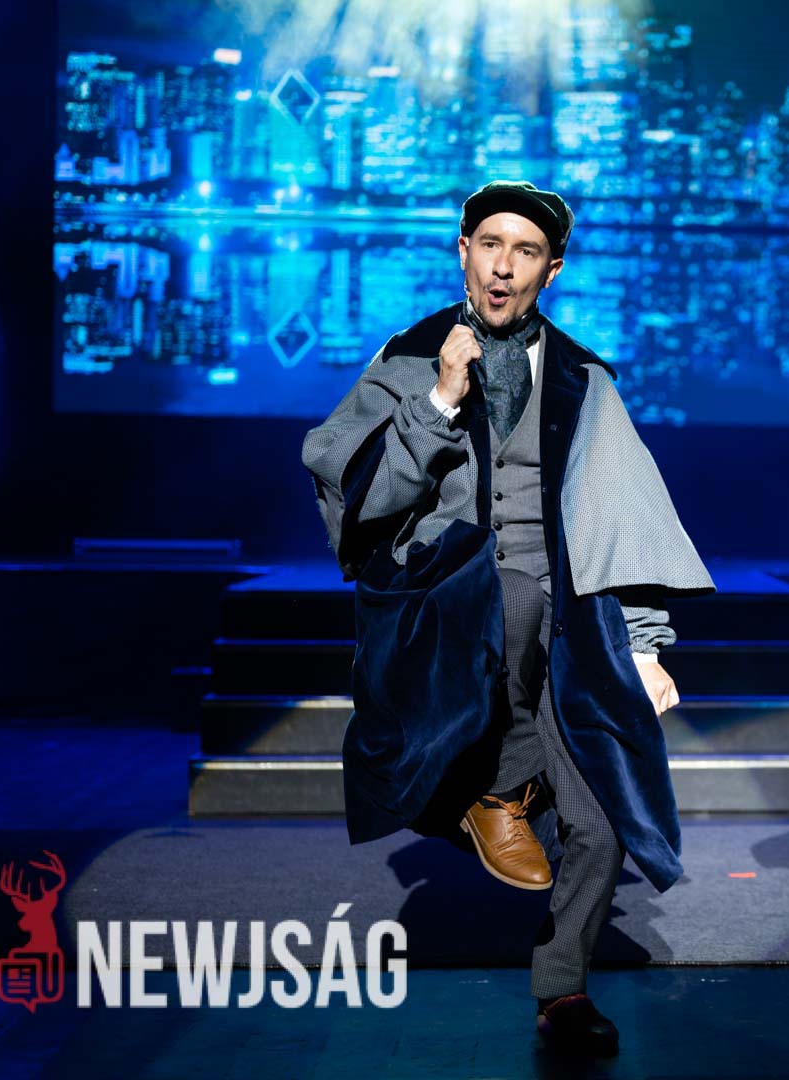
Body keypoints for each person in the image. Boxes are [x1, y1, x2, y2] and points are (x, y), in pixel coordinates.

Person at [302, 180, 712, 1057]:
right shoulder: (409, 359)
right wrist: (438, 402)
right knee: (514, 594)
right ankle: (498, 787)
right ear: (462, 251)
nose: (502, 266)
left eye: (525, 252)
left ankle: (562, 988)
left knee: (602, 819)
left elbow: (620, 515)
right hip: (442, 608)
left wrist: (644, 645)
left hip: (564, 623)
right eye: (489, 244)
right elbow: (360, 498)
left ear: (550, 271)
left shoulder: (582, 379)